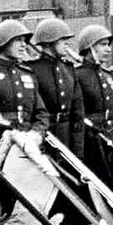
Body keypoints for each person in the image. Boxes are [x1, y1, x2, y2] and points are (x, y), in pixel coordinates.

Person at [0, 20, 48, 143]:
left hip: (28, 142)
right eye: (18, 40)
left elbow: (41, 113)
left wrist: (36, 133)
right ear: (4, 42)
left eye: (24, 40)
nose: (24, 45)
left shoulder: (26, 74)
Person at [27, 18, 84, 158]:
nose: (67, 43)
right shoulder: (32, 68)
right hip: (45, 135)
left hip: (66, 135)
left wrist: (77, 148)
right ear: (49, 42)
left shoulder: (68, 69)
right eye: (62, 39)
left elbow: (77, 111)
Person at [74, 24, 113, 170]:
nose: (108, 49)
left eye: (108, 45)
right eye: (103, 45)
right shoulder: (77, 75)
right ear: (90, 47)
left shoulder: (107, 75)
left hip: (111, 137)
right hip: (91, 140)